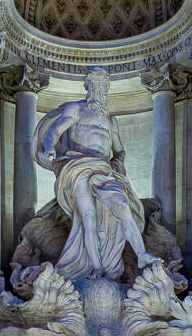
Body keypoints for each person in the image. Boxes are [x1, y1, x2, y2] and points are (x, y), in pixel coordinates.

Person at [33, 66, 160, 281]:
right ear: (87, 87)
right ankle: (97, 267)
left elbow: (119, 149)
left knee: (123, 206)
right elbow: (55, 131)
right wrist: (49, 146)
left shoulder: (111, 121)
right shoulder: (76, 109)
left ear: (107, 89)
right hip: (78, 167)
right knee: (88, 219)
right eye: (94, 84)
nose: (98, 89)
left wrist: (117, 163)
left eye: (102, 85)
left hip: (103, 169)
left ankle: (141, 255)